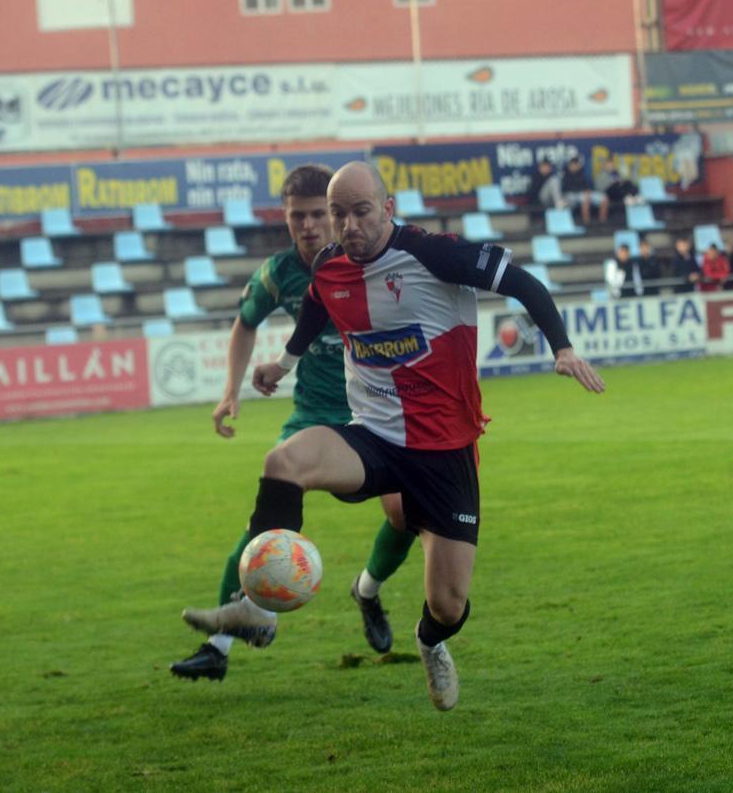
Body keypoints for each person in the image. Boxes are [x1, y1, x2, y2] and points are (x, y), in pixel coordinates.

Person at [181, 162, 605, 711]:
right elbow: (316, 307)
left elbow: (522, 282)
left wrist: (562, 347)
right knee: (283, 461)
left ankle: (430, 643)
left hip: (445, 451)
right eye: (339, 215)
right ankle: (256, 610)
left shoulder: (434, 254)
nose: (348, 225)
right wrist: (284, 365)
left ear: (387, 207)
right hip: (374, 437)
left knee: (449, 604)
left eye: (360, 211)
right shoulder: (331, 266)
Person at [171, 164, 414, 682]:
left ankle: (366, 591)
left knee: (406, 513)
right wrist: (229, 392)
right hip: (311, 414)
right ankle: (218, 648)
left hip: (375, 414)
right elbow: (245, 324)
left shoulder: (372, 259)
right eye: (295, 216)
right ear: (286, 218)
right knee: (265, 524)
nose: (307, 226)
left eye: (314, 215)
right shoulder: (280, 273)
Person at [559, 156, 608, 225]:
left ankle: (602, 221)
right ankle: (587, 222)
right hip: (571, 195)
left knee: (604, 198)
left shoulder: (583, 173)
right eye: (572, 164)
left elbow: (588, 186)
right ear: (569, 165)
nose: (574, 166)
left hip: (585, 193)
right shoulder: (565, 174)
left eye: (576, 164)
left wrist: (588, 191)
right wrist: (584, 192)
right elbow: (567, 189)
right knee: (584, 198)